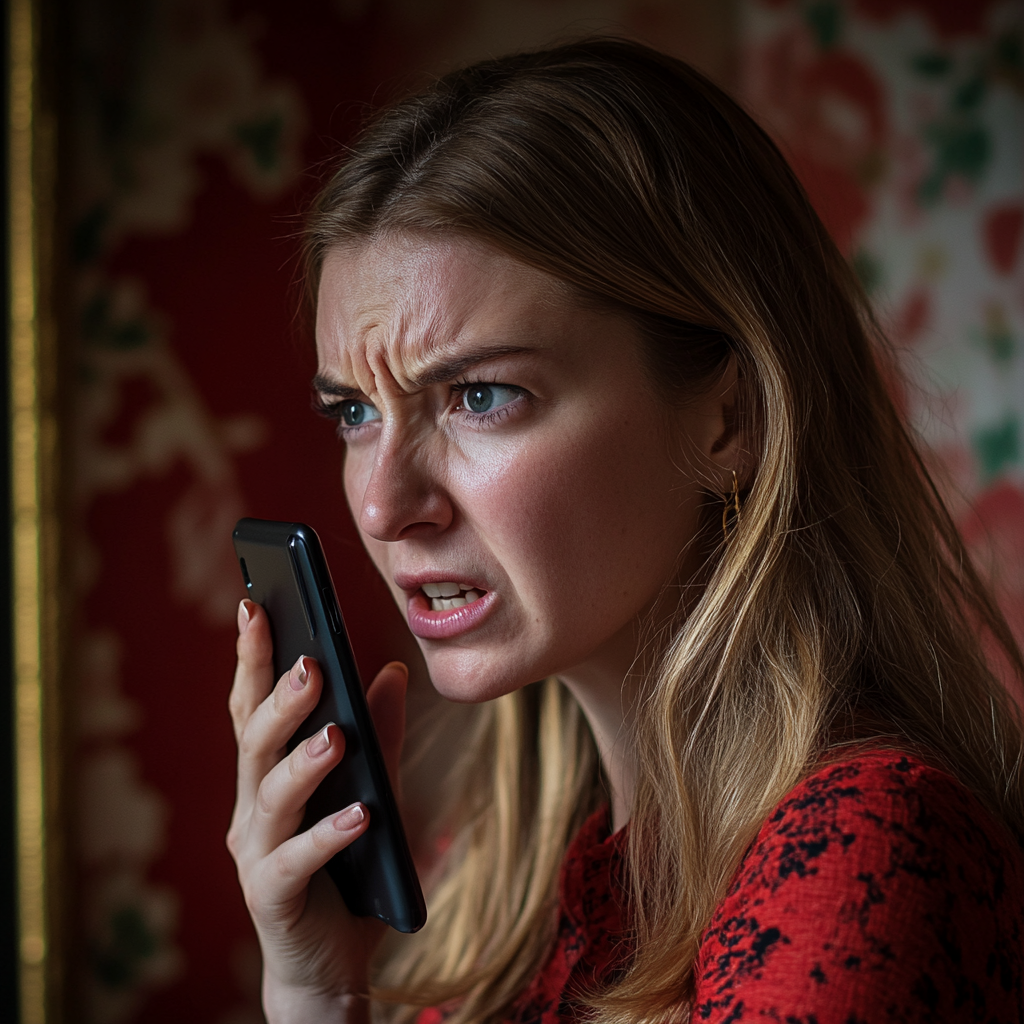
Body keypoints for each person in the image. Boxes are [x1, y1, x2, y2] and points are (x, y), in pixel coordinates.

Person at [226, 38, 1024, 1024]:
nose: (386, 508)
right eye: (353, 412)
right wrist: (317, 994)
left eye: (480, 395)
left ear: (728, 420)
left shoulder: (862, 850)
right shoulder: (506, 901)